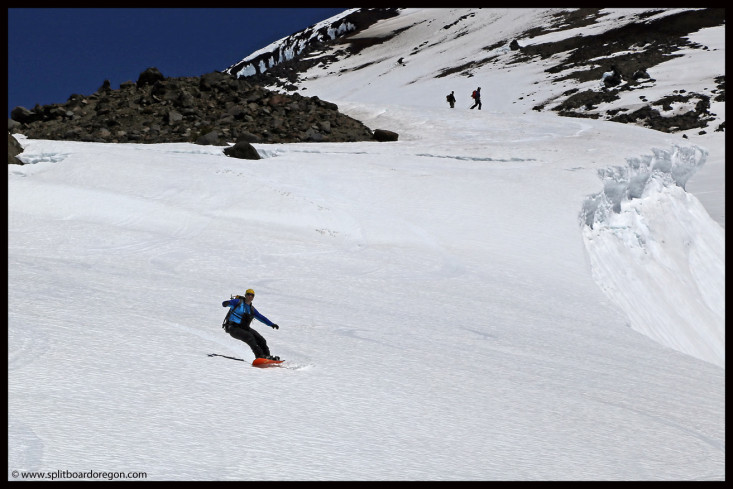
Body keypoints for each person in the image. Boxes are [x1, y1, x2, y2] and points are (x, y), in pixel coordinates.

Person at [222, 289, 280, 360]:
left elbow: (261, 317)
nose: (250, 296)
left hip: (244, 328)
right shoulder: (238, 302)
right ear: (245, 295)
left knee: (261, 340)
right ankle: (259, 356)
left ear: (253, 297)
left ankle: (267, 357)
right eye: (248, 294)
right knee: (249, 337)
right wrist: (226, 303)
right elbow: (227, 303)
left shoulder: (251, 309)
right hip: (233, 328)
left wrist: (271, 324)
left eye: (252, 295)